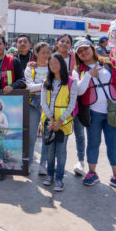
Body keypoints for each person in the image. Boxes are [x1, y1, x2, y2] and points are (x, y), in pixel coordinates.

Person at [73, 40, 116, 193]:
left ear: (92, 49)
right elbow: (79, 91)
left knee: (113, 145)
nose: (83, 53)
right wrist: (89, 74)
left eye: (85, 49)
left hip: (114, 113)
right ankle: (92, 173)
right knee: (93, 143)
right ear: (77, 55)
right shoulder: (78, 71)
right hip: (93, 113)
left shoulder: (111, 64)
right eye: (80, 51)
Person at [41, 54, 78, 192]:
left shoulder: (71, 82)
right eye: (51, 64)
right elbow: (43, 102)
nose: (53, 66)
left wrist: (60, 121)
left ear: (62, 64)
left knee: (61, 152)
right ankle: (49, 175)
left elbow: (72, 104)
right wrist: (51, 120)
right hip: (49, 123)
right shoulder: (46, 82)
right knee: (50, 152)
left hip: (64, 123)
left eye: (56, 63)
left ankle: (59, 179)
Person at [54, 34, 86, 175]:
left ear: (71, 45)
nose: (65, 44)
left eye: (68, 42)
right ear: (57, 43)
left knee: (79, 132)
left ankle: (80, 161)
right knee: (60, 133)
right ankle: (56, 162)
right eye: (62, 41)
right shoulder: (51, 57)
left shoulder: (76, 59)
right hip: (58, 102)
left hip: (76, 101)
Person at [25, 42, 51, 175]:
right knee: (31, 135)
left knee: (48, 135)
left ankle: (43, 164)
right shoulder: (30, 68)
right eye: (43, 53)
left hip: (50, 103)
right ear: (35, 53)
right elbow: (29, 87)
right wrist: (46, 85)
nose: (46, 55)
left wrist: (39, 86)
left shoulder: (53, 67)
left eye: (48, 52)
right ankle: (29, 162)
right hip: (33, 103)